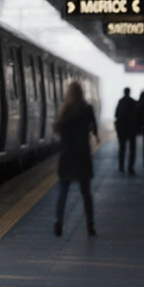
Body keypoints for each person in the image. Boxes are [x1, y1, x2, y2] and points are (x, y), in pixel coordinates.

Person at [53, 82, 99, 237]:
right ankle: (90, 224)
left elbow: (57, 129)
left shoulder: (65, 110)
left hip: (67, 155)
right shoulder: (87, 109)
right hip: (82, 155)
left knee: (63, 192)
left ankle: (59, 222)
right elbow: (94, 128)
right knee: (86, 194)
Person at [114, 87, 139, 175]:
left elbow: (116, 114)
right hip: (131, 129)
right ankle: (130, 168)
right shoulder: (133, 102)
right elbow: (137, 116)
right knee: (132, 149)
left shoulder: (120, 102)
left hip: (122, 129)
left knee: (122, 148)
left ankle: (121, 166)